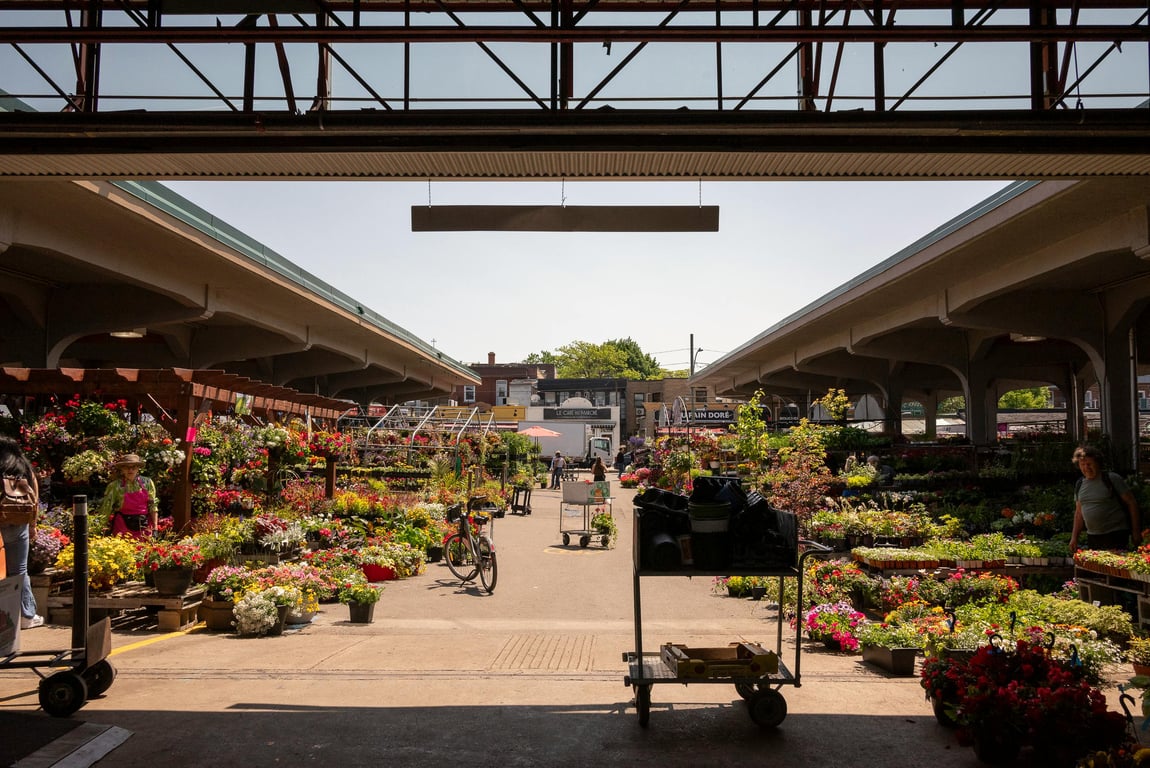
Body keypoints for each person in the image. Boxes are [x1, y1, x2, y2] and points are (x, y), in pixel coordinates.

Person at [0, 435, 42, 629]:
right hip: (18, 522)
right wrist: (33, 525)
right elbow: (34, 496)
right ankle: (26, 616)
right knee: (19, 570)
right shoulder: (23, 467)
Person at [1069, 445, 1141, 553]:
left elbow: (1132, 503)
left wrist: (1136, 531)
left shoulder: (1112, 479)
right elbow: (1079, 513)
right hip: (1093, 536)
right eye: (1082, 464)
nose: (1086, 468)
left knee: (1116, 567)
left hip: (1116, 535)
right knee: (1097, 568)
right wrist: (1074, 538)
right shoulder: (1080, 484)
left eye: (1089, 464)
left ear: (1098, 463)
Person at [100, 453, 158, 539]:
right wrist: (101, 527)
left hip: (144, 525)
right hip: (122, 525)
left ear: (138, 468)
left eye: (133, 467)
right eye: (126, 467)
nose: (130, 470)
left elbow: (153, 506)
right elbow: (106, 508)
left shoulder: (148, 483)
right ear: (122, 469)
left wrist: (155, 527)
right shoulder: (114, 486)